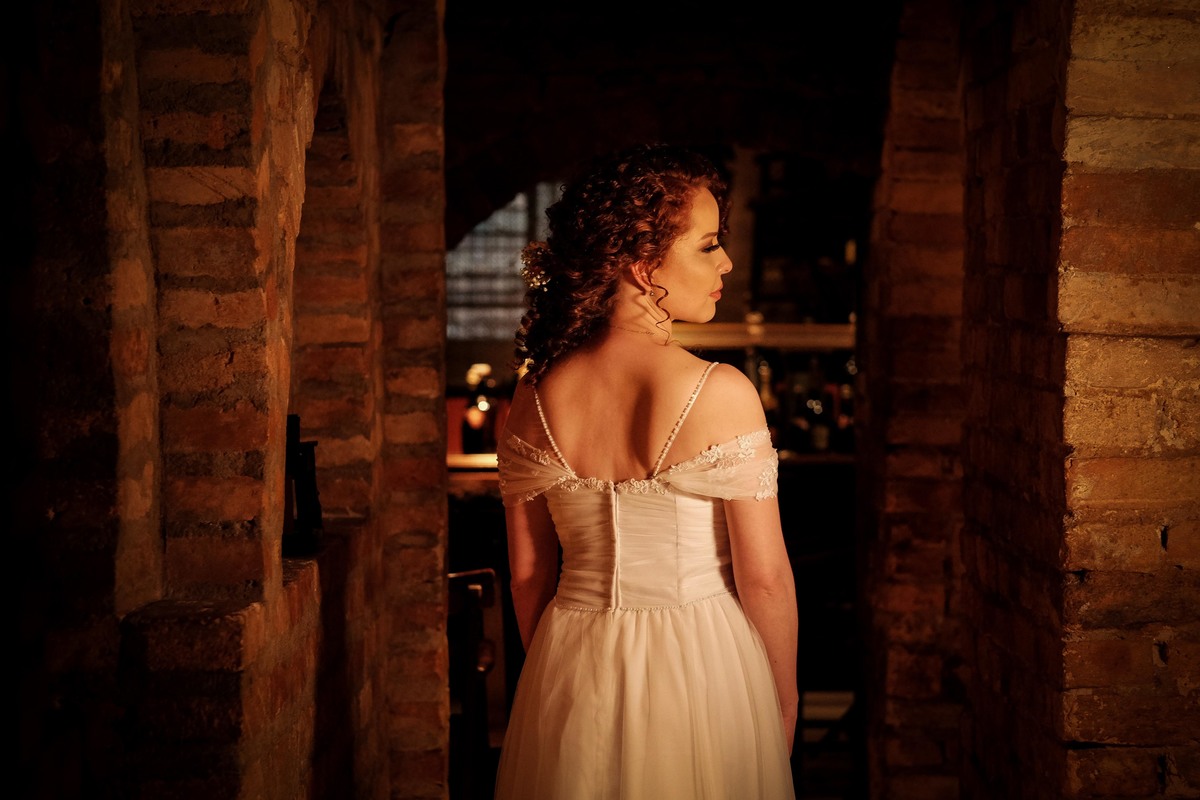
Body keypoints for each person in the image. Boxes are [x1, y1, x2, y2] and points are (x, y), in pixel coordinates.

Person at [493, 143, 799, 799]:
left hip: (570, 659)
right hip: (704, 662)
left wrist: (554, 676)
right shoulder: (720, 392)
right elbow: (765, 579)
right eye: (708, 245)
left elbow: (526, 576)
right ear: (641, 263)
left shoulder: (531, 397)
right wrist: (783, 702)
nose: (726, 262)